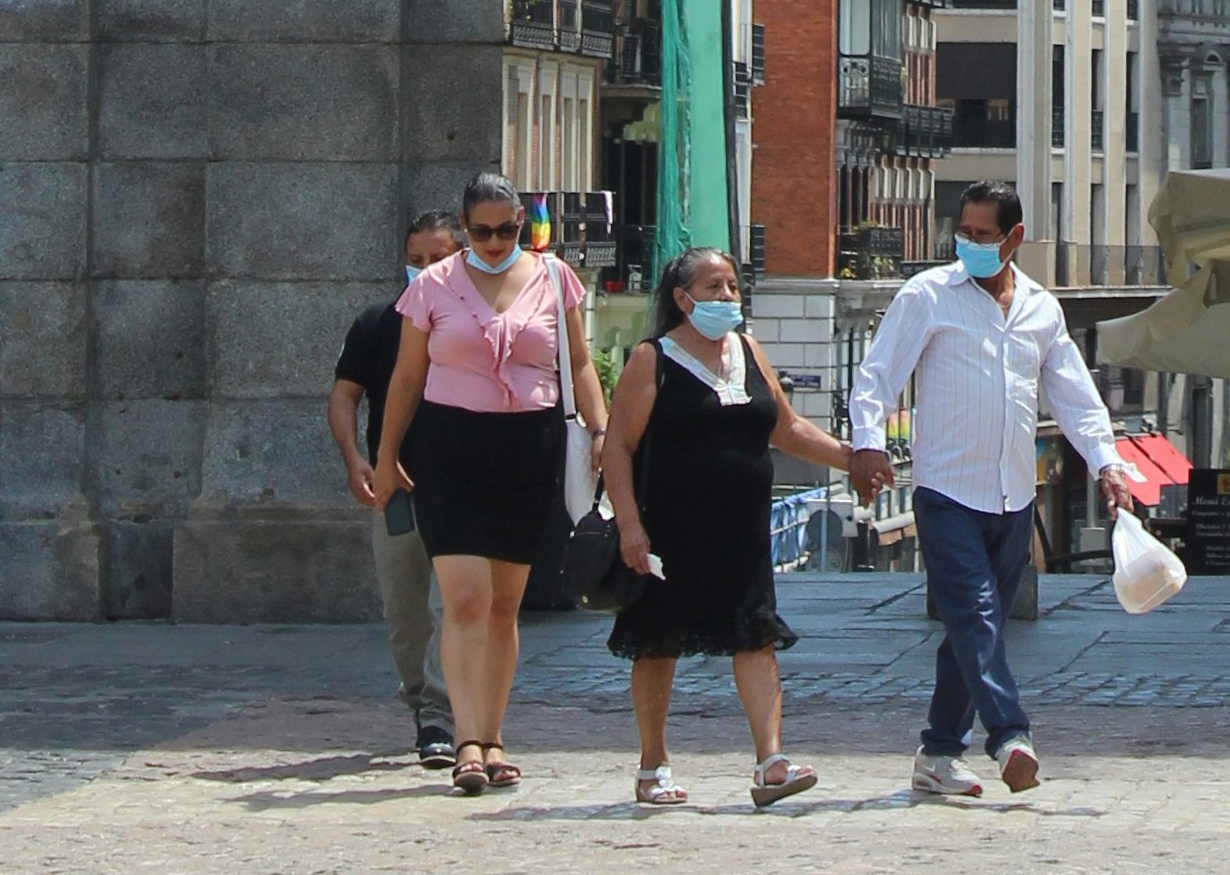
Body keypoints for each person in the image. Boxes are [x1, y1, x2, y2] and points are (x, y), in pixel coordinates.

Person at [846, 180, 1144, 800]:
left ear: (1014, 239)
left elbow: (1071, 391)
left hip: (1014, 492)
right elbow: (877, 375)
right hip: (946, 490)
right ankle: (1011, 736)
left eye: (984, 235)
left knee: (975, 626)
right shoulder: (927, 295)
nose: (970, 244)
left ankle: (938, 752)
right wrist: (869, 443)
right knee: (976, 615)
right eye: (963, 233)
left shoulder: (1042, 309)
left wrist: (1106, 463)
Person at [367, 164, 611, 798]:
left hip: (528, 449)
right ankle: (466, 740)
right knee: (466, 601)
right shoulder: (433, 287)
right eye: (483, 232)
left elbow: (579, 363)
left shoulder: (556, 280)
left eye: (508, 230)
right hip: (451, 449)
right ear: (466, 229)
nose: (497, 243)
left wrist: (604, 431)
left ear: (524, 226)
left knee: (505, 607)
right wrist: (388, 456)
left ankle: (495, 735)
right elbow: (404, 379)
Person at [601, 238, 864, 810]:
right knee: (657, 642)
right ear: (681, 297)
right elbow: (617, 448)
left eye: (732, 286)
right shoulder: (653, 359)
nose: (726, 295)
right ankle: (652, 765)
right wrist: (628, 526)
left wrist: (852, 456)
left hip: (741, 530)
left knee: (756, 634)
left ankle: (771, 761)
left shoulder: (748, 349)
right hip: (669, 529)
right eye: (712, 287)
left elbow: (788, 428)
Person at [330, 202, 460, 769]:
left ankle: (444, 715)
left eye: (437, 257)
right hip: (395, 487)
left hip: (463, 483)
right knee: (406, 611)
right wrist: (355, 458)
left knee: (457, 602)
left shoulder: (479, 321)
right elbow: (344, 395)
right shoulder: (378, 322)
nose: (426, 267)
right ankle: (421, 699)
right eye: (415, 259)